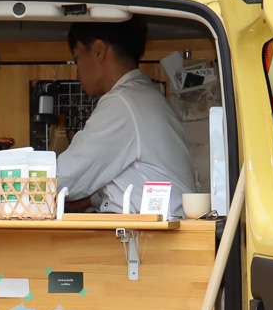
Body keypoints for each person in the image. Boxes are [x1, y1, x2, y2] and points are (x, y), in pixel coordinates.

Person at [56, 19, 197, 214]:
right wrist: (92, 199)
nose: (77, 71)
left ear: (98, 50)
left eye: (77, 58)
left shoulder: (122, 103)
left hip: (154, 241)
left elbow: (63, 179)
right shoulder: (143, 95)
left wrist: (7, 184)